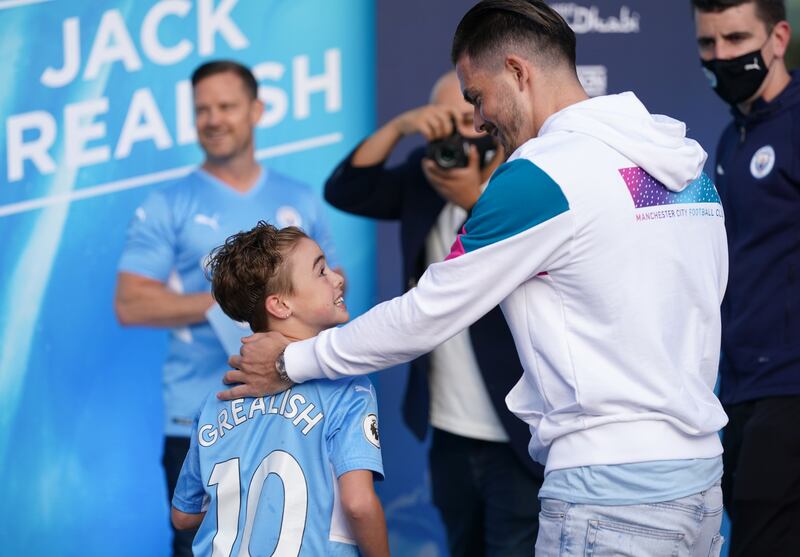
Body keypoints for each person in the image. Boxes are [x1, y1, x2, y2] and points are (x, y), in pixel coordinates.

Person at [223, 1, 729, 555]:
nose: (480, 121)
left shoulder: (540, 177)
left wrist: (289, 361)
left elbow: (425, 313)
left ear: (518, 71)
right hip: (699, 481)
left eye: (476, 97)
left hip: (609, 488)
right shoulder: (679, 165)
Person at [113, 60, 338, 557]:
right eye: (202, 110)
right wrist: (236, 300)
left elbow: (330, 300)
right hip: (198, 416)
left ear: (256, 109)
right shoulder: (168, 203)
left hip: (295, 414)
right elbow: (130, 303)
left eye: (227, 106)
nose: (213, 119)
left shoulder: (299, 201)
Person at [324, 70, 543, 556]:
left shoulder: (526, 185)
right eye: (441, 123)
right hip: (448, 432)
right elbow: (345, 189)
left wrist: (471, 198)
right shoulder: (425, 181)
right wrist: (402, 126)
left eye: (467, 116)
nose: (455, 136)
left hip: (520, 435)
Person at [170, 222, 388, 557]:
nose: (337, 277)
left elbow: (183, 515)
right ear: (281, 305)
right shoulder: (349, 389)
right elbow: (358, 504)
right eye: (320, 271)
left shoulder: (217, 400)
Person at [693, 1, 800, 555]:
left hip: (789, 388)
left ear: (778, 37)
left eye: (736, 39)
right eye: (709, 44)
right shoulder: (731, 139)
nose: (723, 56)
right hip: (738, 390)